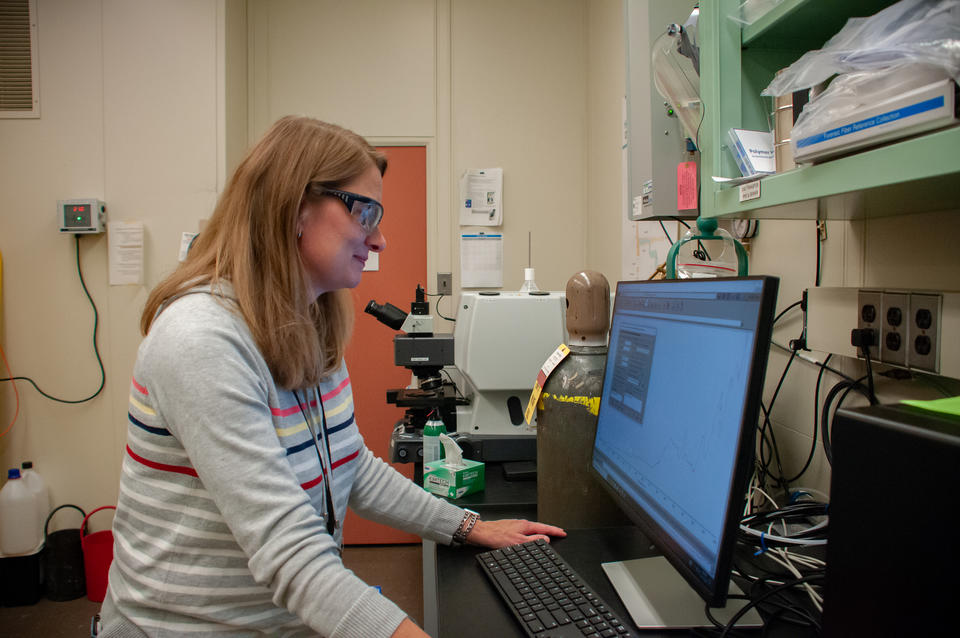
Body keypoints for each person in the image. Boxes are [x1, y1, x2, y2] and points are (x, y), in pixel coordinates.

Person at [98, 115, 565, 637]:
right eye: (365, 212)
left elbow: (351, 466)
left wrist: (469, 527)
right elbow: (292, 554)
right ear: (296, 208)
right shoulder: (201, 340)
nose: (380, 239)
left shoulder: (309, 324)